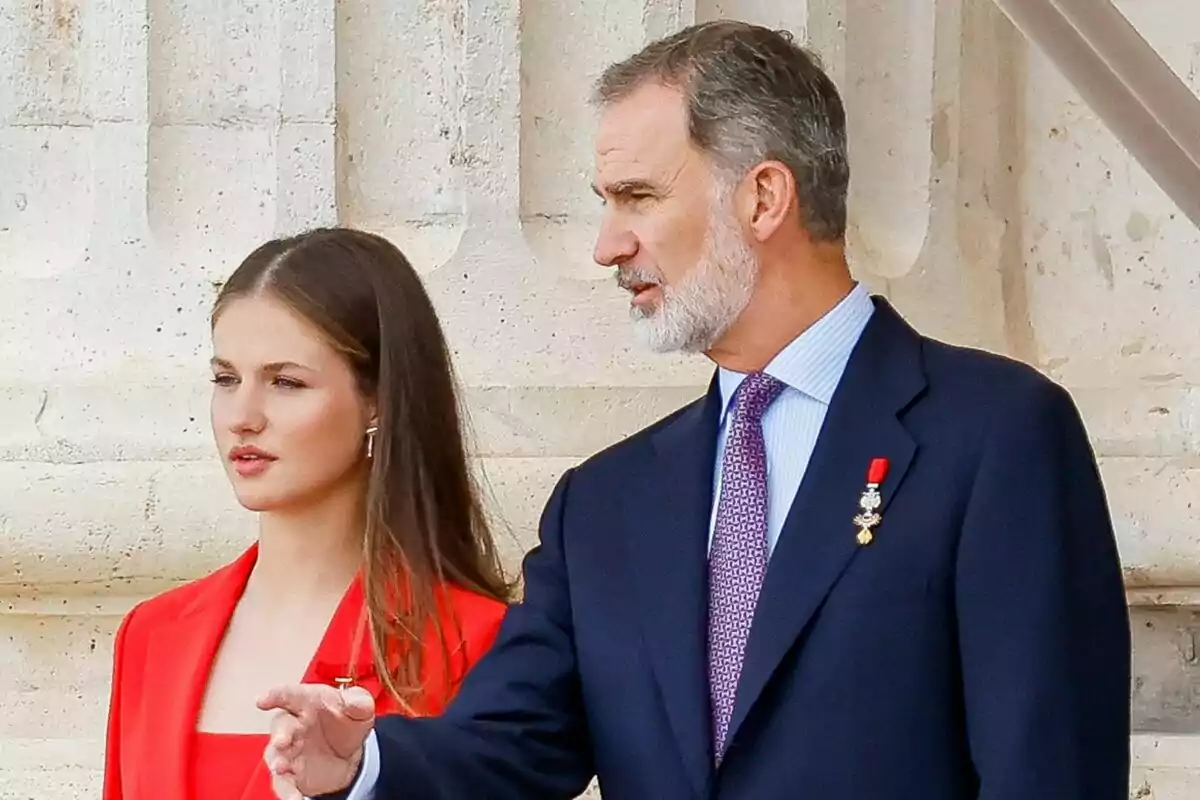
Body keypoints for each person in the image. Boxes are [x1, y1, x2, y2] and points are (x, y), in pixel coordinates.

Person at [258, 21, 1132, 800]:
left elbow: (1047, 768)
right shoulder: (602, 504)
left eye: (637, 197)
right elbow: (515, 744)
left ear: (762, 197)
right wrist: (366, 761)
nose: (607, 246)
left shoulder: (996, 436)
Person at [101, 228, 513, 800]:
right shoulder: (152, 635)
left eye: (286, 382)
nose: (242, 415)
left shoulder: (470, 641)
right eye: (225, 379)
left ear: (378, 401)